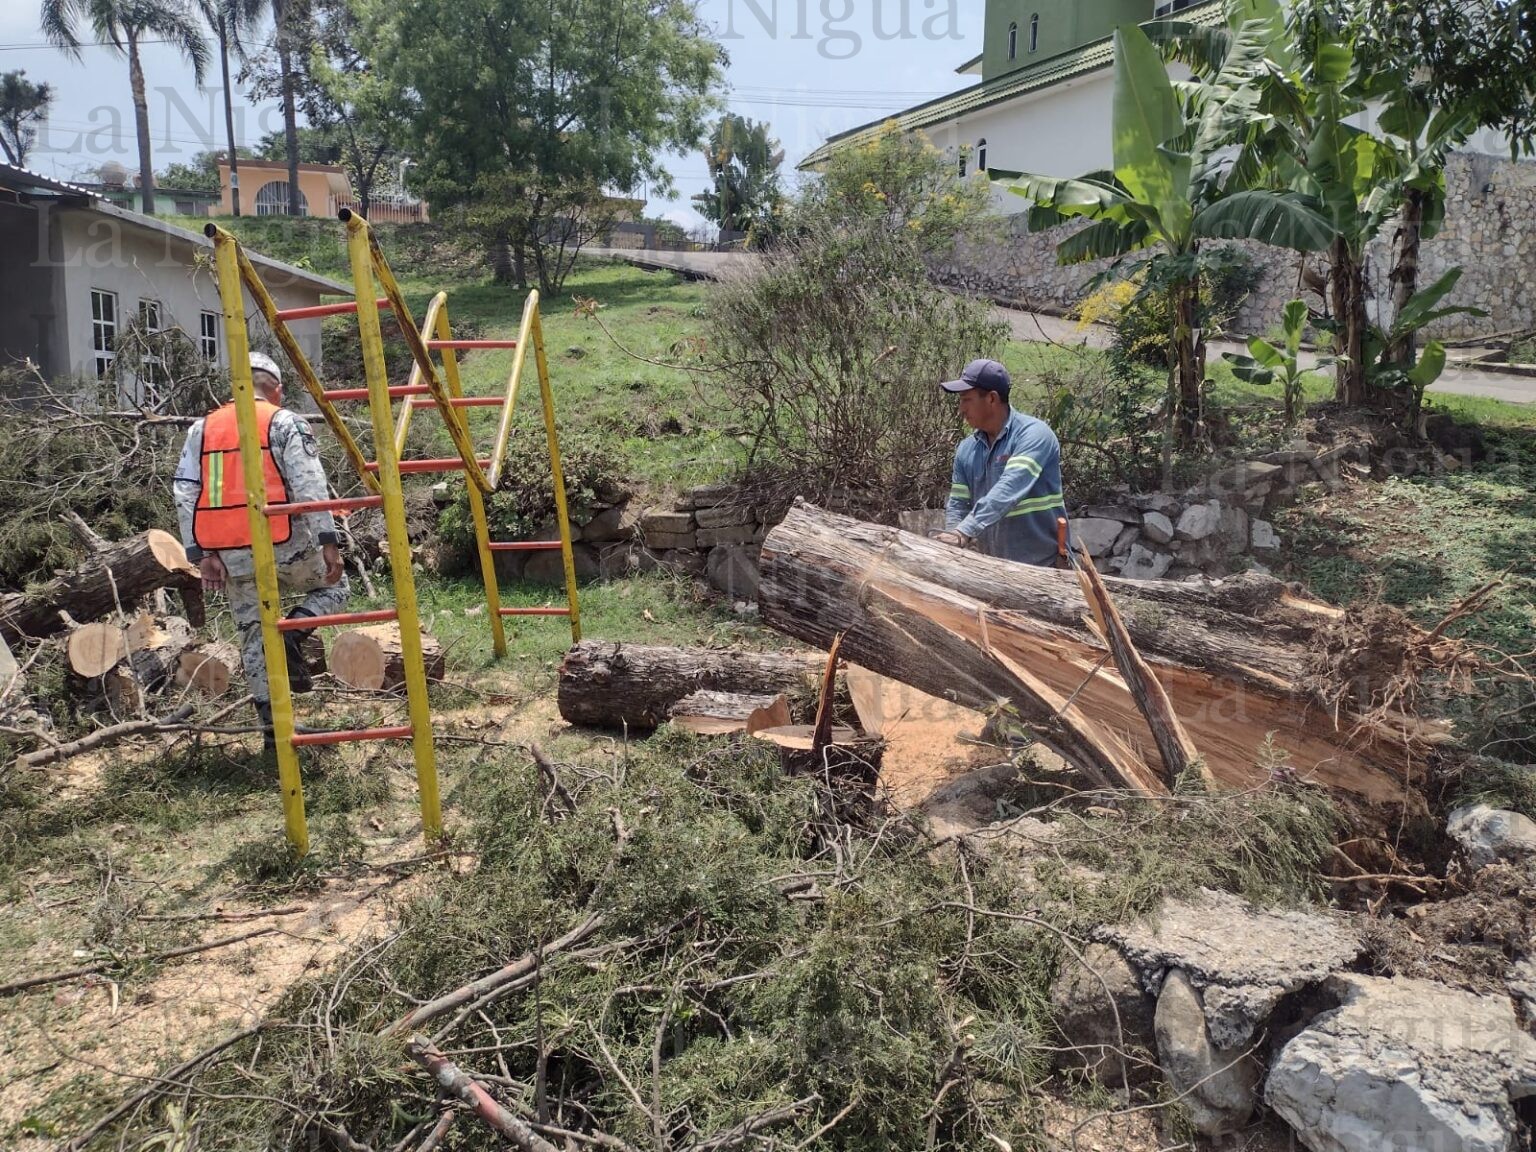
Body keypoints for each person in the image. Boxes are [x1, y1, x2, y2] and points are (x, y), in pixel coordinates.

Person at [173, 351, 349, 747]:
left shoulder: (202, 429)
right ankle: (292, 634)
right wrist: (328, 542)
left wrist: (201, 555)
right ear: (276, 389)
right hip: (285, 546)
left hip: (232, 554)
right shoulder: (284, 422)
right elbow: (309, 486)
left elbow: (186, 493)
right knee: (337, 588)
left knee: (253, 634)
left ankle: (272, 731)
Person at [936, 358, 1067, 566]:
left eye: (966, 399)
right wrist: (952, 543)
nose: (961, 409)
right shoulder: (966, 449)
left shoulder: (1034, 435)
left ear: (991, 399)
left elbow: (1009, 488)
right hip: (996, 570)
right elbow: (959, 504)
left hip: (1045, 568)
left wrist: (964, 531)